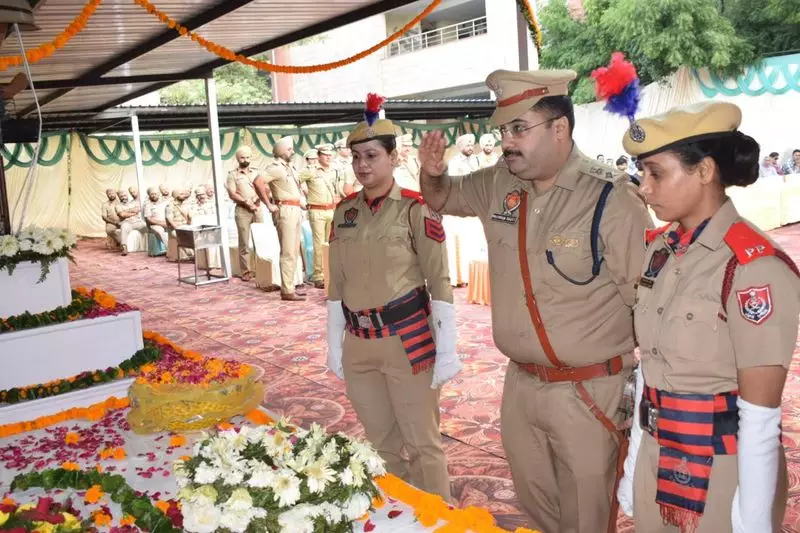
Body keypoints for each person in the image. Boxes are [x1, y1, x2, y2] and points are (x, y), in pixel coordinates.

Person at [417, 68, 653, 533]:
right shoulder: (497, 184)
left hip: (589, 390)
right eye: (503, 130)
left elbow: (646, 302)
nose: (507, 141)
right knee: (536, 506)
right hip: (521, 387)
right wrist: (432, 172)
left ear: (559, 128)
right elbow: (441, 198)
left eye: (519, 128)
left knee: (586, 515)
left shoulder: (612, 199)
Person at [616, 101, 800, 533]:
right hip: (656, 453)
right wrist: (633, 465)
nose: (644, 188)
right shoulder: (660, 250)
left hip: (723, 468)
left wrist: (753, 517)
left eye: (656, 173)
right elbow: (651, 369)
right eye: (643, 173)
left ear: (704, 171)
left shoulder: (752, 266)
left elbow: (760, 411)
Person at [326, 101, 461, 502]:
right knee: (380, 444)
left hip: (407, 341)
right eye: (355, 157)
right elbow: (337, 284)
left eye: (371, 156)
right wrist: (334, 344)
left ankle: (440, 518)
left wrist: (448, 348)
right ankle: (404, 513)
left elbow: (440, 281)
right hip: (359, 345)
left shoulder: (416, 210)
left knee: (422, 442)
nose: (362, 165)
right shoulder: (344, 212)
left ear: (393, 157)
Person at [253, 136, 306, 301]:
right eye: (290, 149)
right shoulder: (275, 168)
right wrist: (268, 204)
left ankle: (290, 286)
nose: (292, 152)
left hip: (295, 209)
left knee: (294, 250)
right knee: (288, 251)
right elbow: (258, 182)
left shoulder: (289, 167)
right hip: (285, 210)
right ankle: (287, 290)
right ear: (282, 151)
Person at [300, 143, 339, 289]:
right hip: (316, 210)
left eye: (330, 154)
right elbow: (294, 181)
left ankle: (329, 272)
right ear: (319, 156)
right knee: (318, 243)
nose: (329, 157)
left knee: (330, 243)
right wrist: (301, 198)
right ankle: (318, 275)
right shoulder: (310, 170)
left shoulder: (334, 170)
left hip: (331, 210)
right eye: (325, 154)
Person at [225, 146, 265, 282]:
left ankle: (261, 268)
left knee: (260, 239)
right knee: (244, 242)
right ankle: (246, 271)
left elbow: (264, 188)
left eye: (248, 157)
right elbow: (232, 193)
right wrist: (247, 202)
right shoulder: (232, 175)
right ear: (237, 158)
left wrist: (255, 200)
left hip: (257, 208)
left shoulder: (257, 173)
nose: (245, 160)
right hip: (242, 210)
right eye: (242, 157)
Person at [115, 189, 146, 256]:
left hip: (137, 222)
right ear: (119, 197)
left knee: (146, 225)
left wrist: (126, 211)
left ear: (127, 195)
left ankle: (154, 246)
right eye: (121, 196)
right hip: (127, 223)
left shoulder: (133, 202)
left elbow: (138, 210)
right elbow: (122, 215)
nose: (123, 197)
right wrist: (133, 212)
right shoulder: (118, 206)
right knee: (123, 227)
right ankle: (124, 247)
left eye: (125, 195)